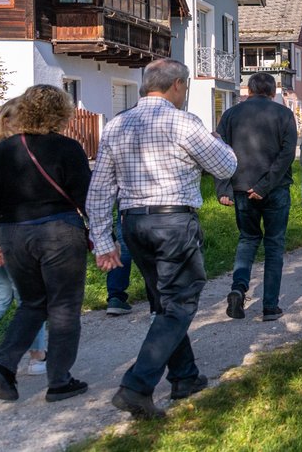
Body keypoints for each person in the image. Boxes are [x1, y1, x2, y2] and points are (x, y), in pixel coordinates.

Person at [87, 59, 238, 421]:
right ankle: (137, 386)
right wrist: (218, 143)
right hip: (173, 222)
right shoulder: (184, 122)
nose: (184, 94)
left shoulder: (117, 124)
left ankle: (184, 377)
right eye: (184, 88)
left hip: (133, 224)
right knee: (180, 303)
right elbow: (226, 167)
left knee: (164, 302)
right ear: (176, 86)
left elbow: (100, 189)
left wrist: (103, 238)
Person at [0, 87, 90, 403]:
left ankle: (3, 369)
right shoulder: (67, 147)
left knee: (32, 303)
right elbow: (85, 197)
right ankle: (59, 380)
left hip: (13, 234)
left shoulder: (4, 149)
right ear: (61, 113)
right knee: (64, 305)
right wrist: (103, 236)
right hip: (58, 231)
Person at [217, 73, 298, 322]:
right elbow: (286, 155)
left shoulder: (230, 115)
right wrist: (265, 185)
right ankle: (270, 306)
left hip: (241, 187)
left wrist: (223, 188)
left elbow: (219, 151)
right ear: (273, 92)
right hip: (275, 189)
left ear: (248, 90)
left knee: (248, 240)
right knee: (274, 246)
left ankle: (238, 289)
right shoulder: (284, 115)